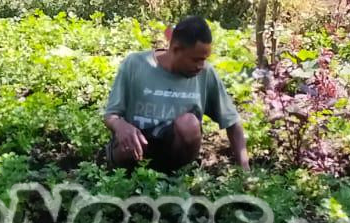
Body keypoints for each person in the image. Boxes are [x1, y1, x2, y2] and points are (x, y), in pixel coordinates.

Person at [103, 16, 249, 172]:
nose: (200, 66)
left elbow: (232, 122)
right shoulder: (135, 64)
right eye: (195, 59)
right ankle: (127, 175)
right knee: (128, 141)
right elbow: (111, 115)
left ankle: (173, 176)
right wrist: (121, 126)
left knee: (189, 124)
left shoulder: (205, 73)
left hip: (174, 154)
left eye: (204, 60)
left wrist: (245, 170)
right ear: (176, 49)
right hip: (136, 149)